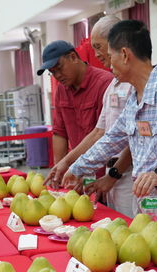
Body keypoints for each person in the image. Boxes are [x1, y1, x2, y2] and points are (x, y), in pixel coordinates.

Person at [62, 20, 157, 240]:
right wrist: (77, 168)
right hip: (143, 201)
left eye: (110, 55)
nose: (107, 63)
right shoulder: (135, 97)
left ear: (124, 54)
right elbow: (112, 139)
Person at [45, 16, 135, 217]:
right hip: (111, 174)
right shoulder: (115, 85)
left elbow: (131, 139)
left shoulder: (149, 87)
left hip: (135, 177)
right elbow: (101, 133)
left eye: (99, 47)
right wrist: (69, 165)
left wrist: (107, 173)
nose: (96, 54)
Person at [37, 40, 113, 165]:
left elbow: (103, 134)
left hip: (104, 170)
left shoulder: (104, 83)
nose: (57, 75)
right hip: (75, 171)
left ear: (73, 57)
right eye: (53, 72)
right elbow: (59, 133)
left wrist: (69, 164)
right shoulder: (61, 90)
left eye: (59, 68)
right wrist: (59, 169)